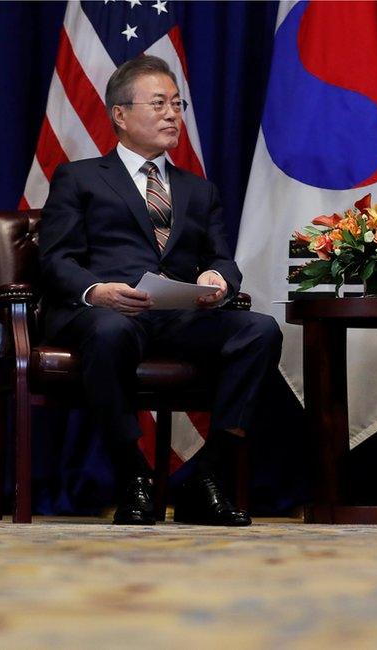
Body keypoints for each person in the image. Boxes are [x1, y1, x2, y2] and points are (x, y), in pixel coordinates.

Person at [39, 56, 282, 526]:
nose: (173, 114)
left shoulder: (199, 190)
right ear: (121, 114)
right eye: (159, 104)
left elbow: (221, 258)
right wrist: (97, 290)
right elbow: (56, 259)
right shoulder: (80, 177)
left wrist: (218, 280)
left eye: (177, 103)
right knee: (109, 332)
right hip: (108, 314)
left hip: (177, 316)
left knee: (260, 331)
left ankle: (206, 475)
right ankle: (133, 474)